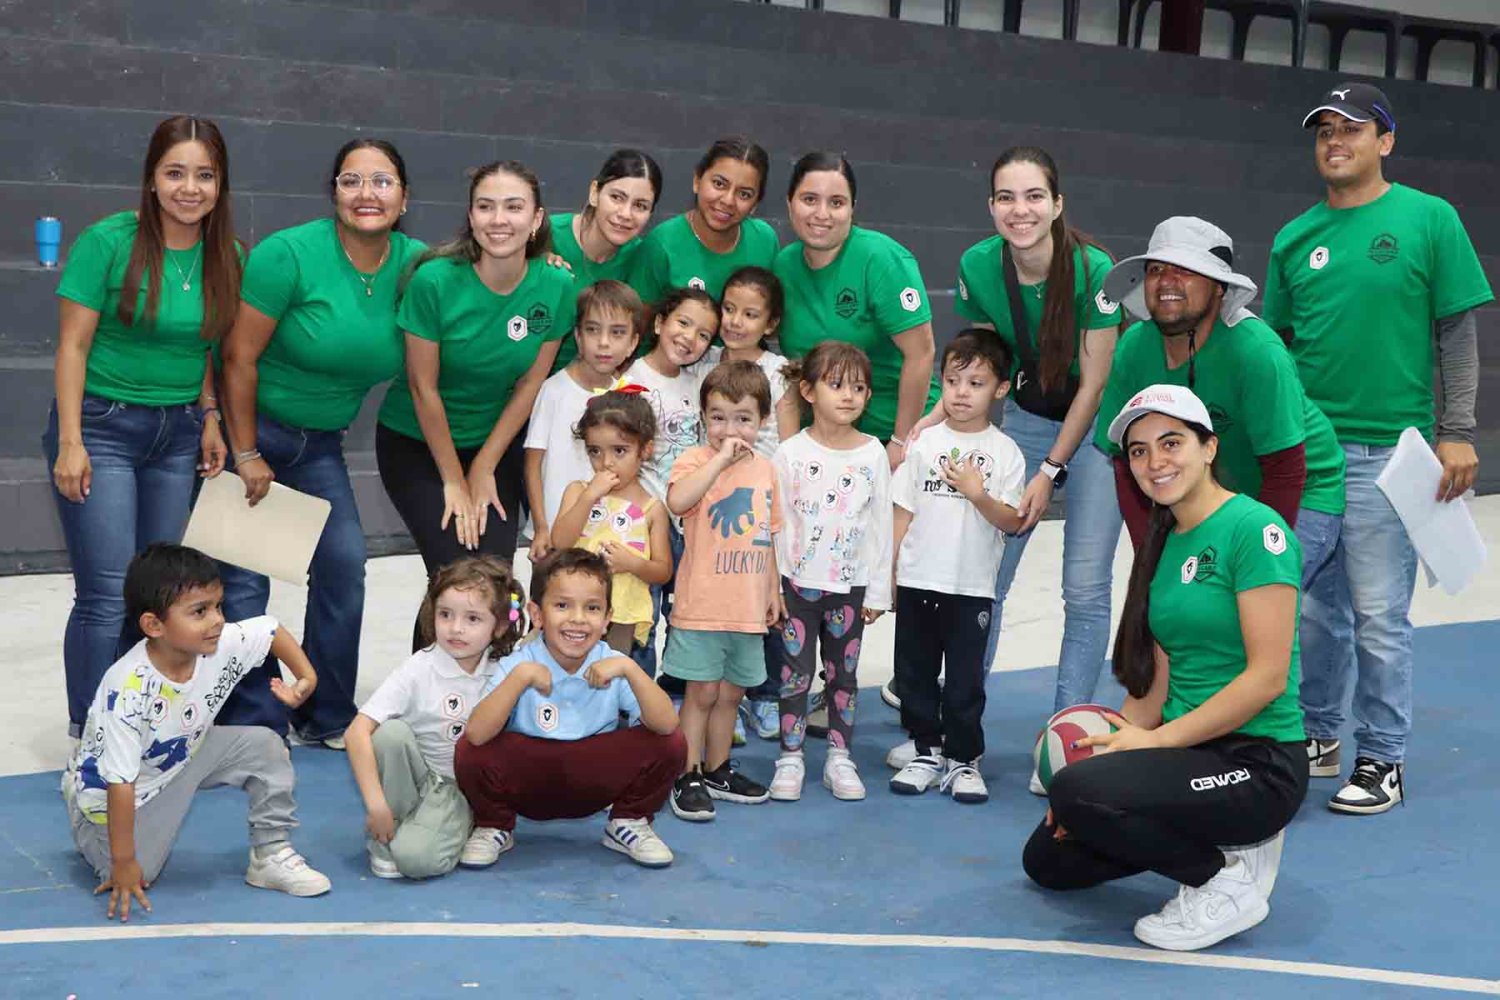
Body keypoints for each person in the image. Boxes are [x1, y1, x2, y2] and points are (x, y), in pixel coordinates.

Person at [1261, 84, 1494, 814]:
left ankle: (1383, 758)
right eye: (1324, 130)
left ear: (1385, 142)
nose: (1335, 141)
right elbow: (1278, 351)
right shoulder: (1294, 238)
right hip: (1309, 458)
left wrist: (1458, 430)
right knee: (1310, 612)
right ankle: (1319, 735)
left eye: (1352, 129)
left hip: (1389, 457)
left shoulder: (1429, 218)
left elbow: (1456, 335)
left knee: (1379, 618)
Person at [1023, 385, 1308, 953]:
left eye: (1171, 443)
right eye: (1139, 451)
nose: (1155, 462)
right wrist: (1100, 761)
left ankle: (1222, 882)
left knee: (1082, 795)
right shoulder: (1165, 543)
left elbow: (1267, 677)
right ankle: (1217, 844)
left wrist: (1144, 751)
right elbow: (1157, 684)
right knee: (1048, 858)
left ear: (1209, 448)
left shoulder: (1256, 531)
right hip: (1189, 754)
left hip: (1257, 761)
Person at [899, 149, 1120, 759]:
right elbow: (983, 359)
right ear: (991, 205)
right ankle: (954, 728)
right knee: (986, 576)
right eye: (1006, 197)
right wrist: (933, 418)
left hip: (1098, 431)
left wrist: (1050, 470)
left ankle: (1068, 736)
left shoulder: (1096, 270)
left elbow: (1095, 385)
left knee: (1085, 587)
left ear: (1057, 204)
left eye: (1033, 196)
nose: (1019, 210)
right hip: (1027, 417)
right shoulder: (978, 265)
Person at [218, 138, 425, 744]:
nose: (367, 194)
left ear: (404, 197)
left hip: (320, 446)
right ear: (333, 191)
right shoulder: (288, 254)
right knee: (246, 582)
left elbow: (490, 264)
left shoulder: (418, 265)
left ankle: (325, 714)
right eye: (351, 180)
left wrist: (548, 259)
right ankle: (255, 717)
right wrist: (246, 452)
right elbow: (237, 358)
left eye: (382, 181)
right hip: (253, 433)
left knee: (343, 565)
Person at [44, 115, 237, 737]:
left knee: (162, 593)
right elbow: (72, 346)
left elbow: (204, 347)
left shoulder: (228, 255)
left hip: (177, 435)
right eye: (175, 172)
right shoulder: (108, 241)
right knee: (106, 592)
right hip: (102, 426)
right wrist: (70, 442)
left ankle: (141, 719)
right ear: (151, 179)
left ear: (220, 184)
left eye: (204, 175)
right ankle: (91, 735)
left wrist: (210, 415)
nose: (190, 188)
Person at [64, 544, 331, 922]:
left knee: (265, 746)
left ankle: (270, 854)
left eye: (219, 606)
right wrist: (123, 863)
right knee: (138, 873)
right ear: (153, 626)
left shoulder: (218, 645)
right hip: (118, 796)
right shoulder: (127, 689)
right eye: (200, 611)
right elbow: (121, 784)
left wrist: (306, 678)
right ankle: (81, 811)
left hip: (179, 759)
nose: (217, 620)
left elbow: (270, 629)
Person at [377, 160, 575, 601]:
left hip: (493, 443)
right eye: (486, 206)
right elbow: (423, 388)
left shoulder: (557, 286)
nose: (499, 219)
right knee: (454, 578)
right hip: (418, 444)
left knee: (494, 584)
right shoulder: (434, 281)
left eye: (514, 207)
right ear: (471, 216)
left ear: (537, 219)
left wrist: (483, 467)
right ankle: (431, 652)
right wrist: (454, 480)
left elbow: (530, 384)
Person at [453, 548, 686, 868]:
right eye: (562, 605)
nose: (578, 618)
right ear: (537, 615)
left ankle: (629, 821)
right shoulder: (518, 664)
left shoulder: (613, 663)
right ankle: (494, 824)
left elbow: (667, 725)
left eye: (592, 608)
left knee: (671, 743)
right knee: (469, 750)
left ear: (607, 619)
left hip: (593, 780)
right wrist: (519, 679)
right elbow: (477, 735)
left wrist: (630, 669)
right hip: (530, 783)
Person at [888, 329, 1025, 804]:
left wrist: (977, 493)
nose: (962, 393)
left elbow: (1012, 521)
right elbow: (902, 511)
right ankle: (925, 751)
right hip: (918, 580)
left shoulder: (1005, 452)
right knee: (914, 674)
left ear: (1001, 389)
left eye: (976, 383)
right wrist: (890, 572)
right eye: (952, 381)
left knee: (965, 681)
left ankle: (964, 759)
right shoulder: (924, 443)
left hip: (970, 588)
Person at [343, 556, 527, 879]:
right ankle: (392, 825)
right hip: (422, 779)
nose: (456, 628)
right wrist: (376, 805)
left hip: (462, 788)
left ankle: (475, 820)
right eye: (445, 614)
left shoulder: (505, 669)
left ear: (499, 626)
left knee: (414, 860)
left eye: (473, 618)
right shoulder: (418, 668)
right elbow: (356, 732)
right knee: (389, 734)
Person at [770, 342, 893, 803]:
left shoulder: (873, 454)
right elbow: (776, 525)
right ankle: (790, 756)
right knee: (795, 676)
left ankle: (839, 756)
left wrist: (877, 592)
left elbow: (881, 526)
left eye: (858, 388)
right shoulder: (789, 453)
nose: (848, 396)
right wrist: (773, 586)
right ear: (808, 391)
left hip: (850, 589)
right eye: (836, 385)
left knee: (844, 676)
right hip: (797, 588)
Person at [660, 362, 783, 822]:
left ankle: (717, 769)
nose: (730, 430)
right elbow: (678, 501)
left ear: (762, 422)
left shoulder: (767, 470)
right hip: (702, 608)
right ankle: (686, 773)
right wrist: (718, 462)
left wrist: (772, 590)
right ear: (702, 419)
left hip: (746, 610)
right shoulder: (694, 462)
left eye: (743, 419)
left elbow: (769, 535)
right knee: (701, 694)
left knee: (732, 695)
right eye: (718, 417)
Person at [773, 151, 939, 462]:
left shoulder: (881, 259)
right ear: (789, 203)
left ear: (852, 208)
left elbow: (921, 353)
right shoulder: (783, 266)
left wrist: (900, 443)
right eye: (809, 199)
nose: (822, 213)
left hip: (897, 435)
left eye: (836, 202)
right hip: (825, 440)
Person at [710, 266, 800, 740]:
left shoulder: (779, 373)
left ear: (771, 323)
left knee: (767, 603)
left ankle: (765, 696)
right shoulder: (704, 361)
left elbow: (788, 447)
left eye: (749, 314)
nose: (735, 321)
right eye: (728, 309)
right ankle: (711, 692)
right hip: (710, 508)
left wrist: (778, 508)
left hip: (761, 508)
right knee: (712, 603)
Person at [623, 287, 720, 676]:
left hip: (690, 520)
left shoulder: (698, 382)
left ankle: (679, 683)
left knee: (684, 611)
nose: (690, 338)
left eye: (703, 335)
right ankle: (637, 689)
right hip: (646, 522)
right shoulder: (631, 380)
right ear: (660, 323)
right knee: (641, 614)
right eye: (683, 323)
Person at [524, 280, 645, 564]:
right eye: (593, 330)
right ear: (578, 337)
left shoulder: (630, 396)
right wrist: (541, 527)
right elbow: (532, 464)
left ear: (632, 343)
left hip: (608, 538)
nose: (603, 342)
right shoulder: (553, 391)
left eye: (617, 332)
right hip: (555, 536)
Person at [550, 390, 672, 662]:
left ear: (645, 450)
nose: (606, 462)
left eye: (619, 450)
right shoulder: (578, 491)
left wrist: (633, 564)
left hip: (621, 615)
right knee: (561, 668)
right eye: (595, 451)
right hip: (571, 608)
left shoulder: (652, 509)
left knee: (608, 672)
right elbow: (560, 542)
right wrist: (589, 497)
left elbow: (663, 571)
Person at [547, 149, 661, 371]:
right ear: (594, 192)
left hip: (596, 384)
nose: (625, 214)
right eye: (617, 197)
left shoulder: (642, 257)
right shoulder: (546, 237)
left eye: (640, 206)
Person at [631, 136, 779, 305]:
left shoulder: (765, 241)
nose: (728, 200)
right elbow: (641, 318)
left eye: (744, 194)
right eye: (719, 184)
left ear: (755, 205)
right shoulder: (660, 245)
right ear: (697, 181)